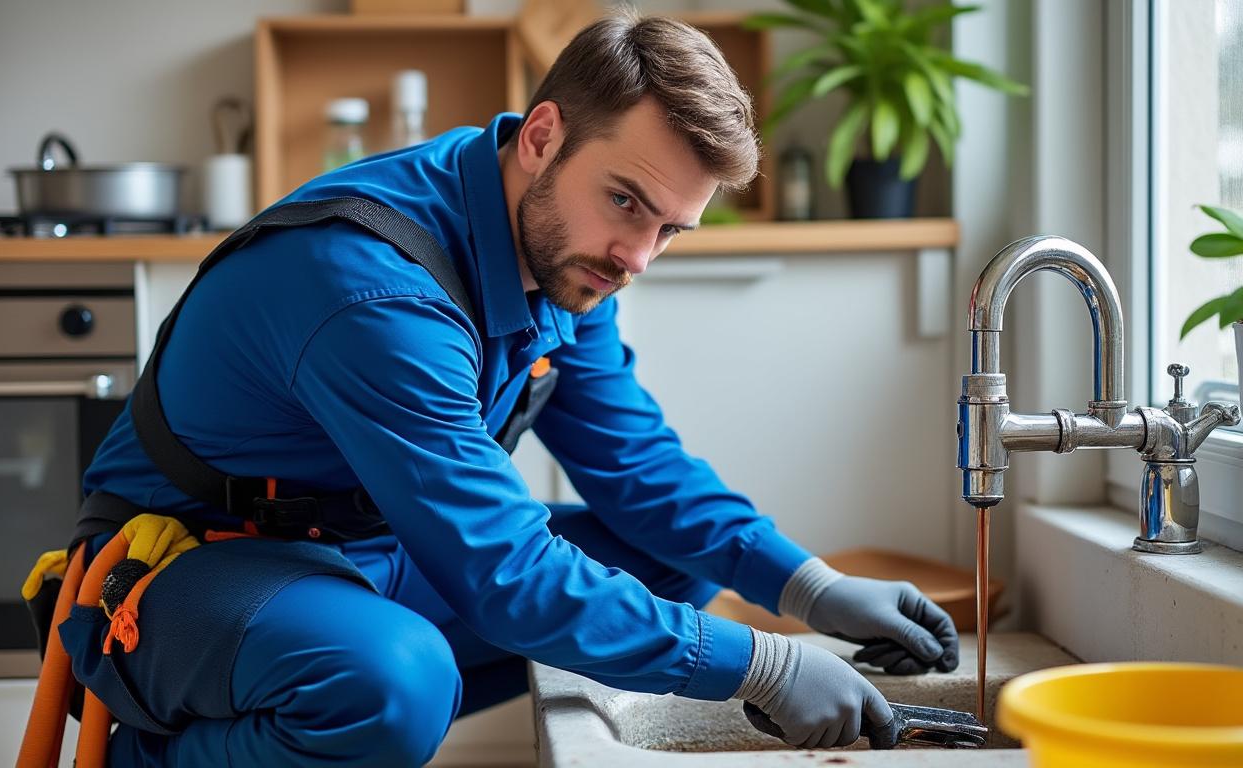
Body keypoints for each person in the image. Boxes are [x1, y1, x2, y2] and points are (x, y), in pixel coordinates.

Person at [49, 12, 958, 766]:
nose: (638, 258)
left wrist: (807, 585)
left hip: (369, 551)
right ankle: (160, 757)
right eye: (629, 203)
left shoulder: (561, 247)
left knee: (672, 560)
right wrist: (760, 665)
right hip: (183, 573)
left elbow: (638, 468)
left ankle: (331, 712)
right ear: (544, 135)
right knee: (393, 686)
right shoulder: (374, 291)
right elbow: (502, 571)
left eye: (672, 230)